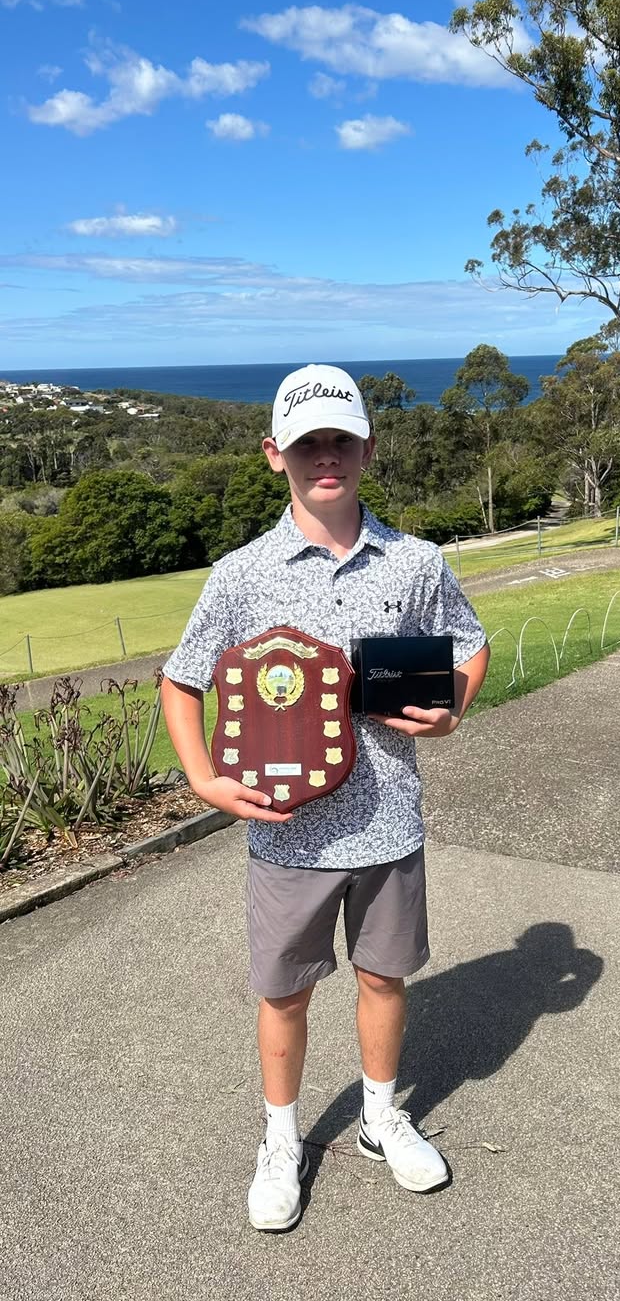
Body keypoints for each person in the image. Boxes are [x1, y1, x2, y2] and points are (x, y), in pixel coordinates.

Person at [161, 364, 490, 1233]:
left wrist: (454, 707)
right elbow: (181, 680)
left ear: (369, 448)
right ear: (277, 455)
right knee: (286, 993)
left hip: (388, 824)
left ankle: (381, 1118)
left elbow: (470, 642)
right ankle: (282, 1138)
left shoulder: (417, 561)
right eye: (309, 443)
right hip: (288, 834)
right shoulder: (242, 574)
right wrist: (201, 777)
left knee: (384, 977)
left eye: (342, 438)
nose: (327, 455)